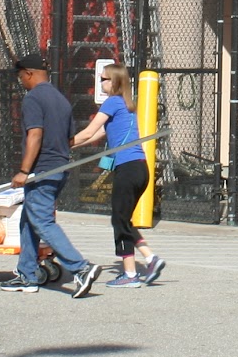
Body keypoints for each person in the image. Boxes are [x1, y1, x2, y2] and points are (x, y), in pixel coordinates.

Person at [0, 54, 101, 297]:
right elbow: (69, 139)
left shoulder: (33, 98)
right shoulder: (61, 99)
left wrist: (24, 171)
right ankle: (27, 274)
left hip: (42, 170)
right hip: (59, 168)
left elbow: (35, 134)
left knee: (42, 221)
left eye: (21, 77)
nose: (21, 81)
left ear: (29, 73)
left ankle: (80, 268)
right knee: (29, 220)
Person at [70, 65, 166, 288]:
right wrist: (71, 147)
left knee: (119, 220)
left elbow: (88, 131)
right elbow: (98, 134)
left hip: (128, 168)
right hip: (139, 169)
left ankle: (131, 274)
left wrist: (62, 143)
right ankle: (150, 259)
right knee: (123, 219)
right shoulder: (126, 105)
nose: (101, 82)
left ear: (114, 82)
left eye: (103, 79)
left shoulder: (112, 102)